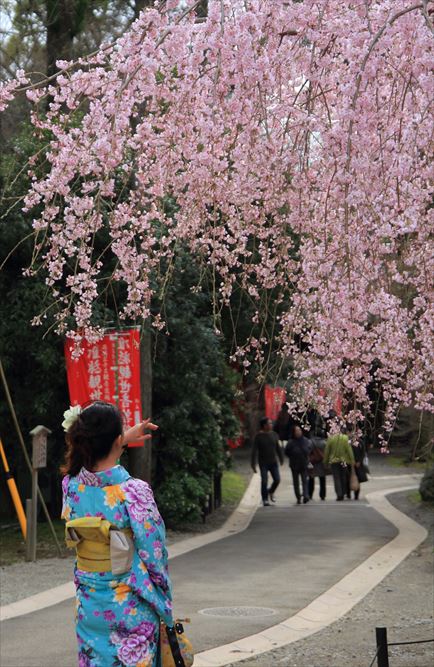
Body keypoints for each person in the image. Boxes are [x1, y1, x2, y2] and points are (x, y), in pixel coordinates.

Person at [61, 401, 173, 667]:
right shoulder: (134, 491)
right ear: (115, 441)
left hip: (89, 606)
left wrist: (121, 439)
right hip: (129, 607)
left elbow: (98, 459)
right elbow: (154, 554)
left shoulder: (71, 486)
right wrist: (164, 601)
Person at [251, 417, 284, 506]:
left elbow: (278, 448)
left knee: (277, 479)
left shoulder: (274, 435)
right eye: (269, 423)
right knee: (264, 481)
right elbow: (254, 451)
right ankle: (265, 499)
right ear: (264, 425)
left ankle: (271, 491)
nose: (271, 425)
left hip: (273, 462)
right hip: (263, 463)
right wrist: (253, 465)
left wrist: (281, 459)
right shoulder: (258, 436)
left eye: (271, 423)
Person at [323, 427, 355, 500]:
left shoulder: (331, 438)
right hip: (344, 460)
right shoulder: (345, 438)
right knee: (343, 477)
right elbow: (349, 449)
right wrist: (352, 460)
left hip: (334, 461)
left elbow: (327, 451)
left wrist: (325, 462)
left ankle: (339, 493)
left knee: (336, 478)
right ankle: (343, 492)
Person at [284, 424, 312, 504]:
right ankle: (298, 497)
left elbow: (309, 449)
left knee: (304, 481)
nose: (298, 432)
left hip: (304, 464)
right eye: (296, 431)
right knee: (296, 482)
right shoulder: (291, 442)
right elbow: (286, 452)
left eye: (299, 430)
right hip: (294, 464)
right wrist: (293, 455)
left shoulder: (305, 440)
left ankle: (306, 496)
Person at [347, 435, 369, 500]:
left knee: (356, 478)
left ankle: (355, 494)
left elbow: (363, 452)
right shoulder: (349, 442)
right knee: (349, 478)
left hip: (356, 462)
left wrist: (359, 461)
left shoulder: (360, 442)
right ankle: (349, 494)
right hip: (351, 462)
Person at [307, 435, 327, 500]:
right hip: (321, 462)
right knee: (322, 479)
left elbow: (308, 452)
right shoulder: (324, 442)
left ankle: (310, 494)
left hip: (313, 462)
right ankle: (322, 495)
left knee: (311, 478)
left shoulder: (310, 442)